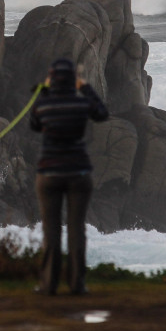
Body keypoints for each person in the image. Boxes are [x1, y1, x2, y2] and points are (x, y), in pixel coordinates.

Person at [30, 58, 109, 295]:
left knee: (51, 230)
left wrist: (44, 89)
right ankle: (77, 284)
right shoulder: (80, 101)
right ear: (72, 79)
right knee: (76, 229)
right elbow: (102, 113)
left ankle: (48, 285)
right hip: (78, 173)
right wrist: (84, 87)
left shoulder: (44, 103)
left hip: (49, 174)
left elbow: (34, 124)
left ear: (52, 78)